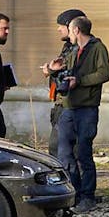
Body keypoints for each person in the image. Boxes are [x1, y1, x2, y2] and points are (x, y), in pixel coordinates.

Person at [48, 16, 109, 214]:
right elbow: (65, 70)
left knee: (83, 153)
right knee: (64, 152)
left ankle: (87, 197)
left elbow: (104, 74)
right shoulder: (74, 50)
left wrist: (80, 81)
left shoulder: (98, 48)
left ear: (76, 30)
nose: (68, 34)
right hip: (69, 107)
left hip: (86, 108)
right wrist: (52, 69)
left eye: (69, 30)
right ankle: (71, 193)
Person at [40, 9, 85, 159]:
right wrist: (51, 70)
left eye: (61, 25)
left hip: (71, 106)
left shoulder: (82, 48)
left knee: (64, 151)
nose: (58, 29)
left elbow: (74, 75)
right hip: (62, 104)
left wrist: (53, 71)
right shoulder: (68, 46)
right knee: (57, 150)